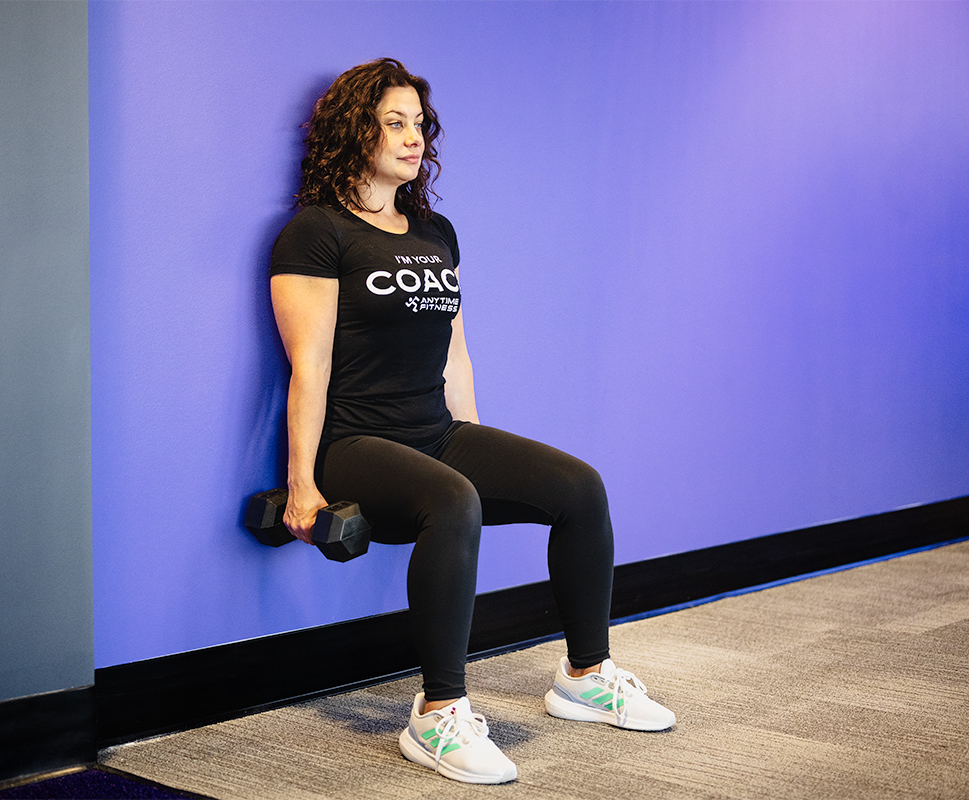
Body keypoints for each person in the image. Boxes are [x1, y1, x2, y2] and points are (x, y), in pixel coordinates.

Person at [269, 57, 676, 785]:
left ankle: (585, 675)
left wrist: (478, 444)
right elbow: (311, 366)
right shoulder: (316, 234)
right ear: (352, 129)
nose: (412, 135)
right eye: (393, 121)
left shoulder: (435, 232)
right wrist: (303, 482)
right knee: (452, 499)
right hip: (356, 443)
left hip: (436, 430)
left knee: (579, 487)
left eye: (419, 123)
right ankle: (437, 715)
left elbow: (454, 355)